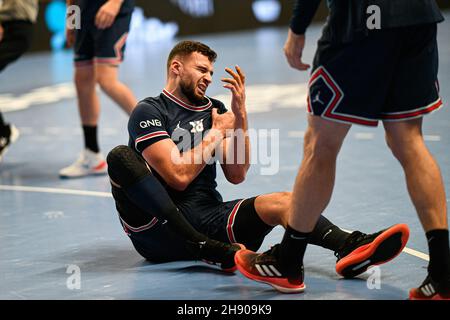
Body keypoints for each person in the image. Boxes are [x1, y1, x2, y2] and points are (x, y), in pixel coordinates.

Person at [106, 40, 409, 278]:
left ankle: (349, 246)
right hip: (161, 229)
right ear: (176, 68)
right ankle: (199, 246)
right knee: (119, 156)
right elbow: (178, 176)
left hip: (208, 214)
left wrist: (240, 115)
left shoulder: (216, 109)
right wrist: (215, 134)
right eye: (201, 70)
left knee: (285, 201)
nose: (208, 78)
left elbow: (236, 173)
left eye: (211, 72)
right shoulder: (150, 111)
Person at [234, 0, 450, 300]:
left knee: (320, 144)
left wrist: (297, 27)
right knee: (409, 140)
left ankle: (288, 261)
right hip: (418, 15)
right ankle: (441, 275)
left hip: (362, 20)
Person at [60, 0, 137, 178]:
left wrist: (115, 3)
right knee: (82, 80)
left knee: (106, 80)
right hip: (82, 11)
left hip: (111, 11)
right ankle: (92, 155)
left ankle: (159, 133)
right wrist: (71, 21)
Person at [0, 0, 38, 162]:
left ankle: (3, 132)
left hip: (15, 23)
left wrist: (73, 24)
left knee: (102, 81)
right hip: (9, 21)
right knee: (84, 82)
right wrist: (73, 26)